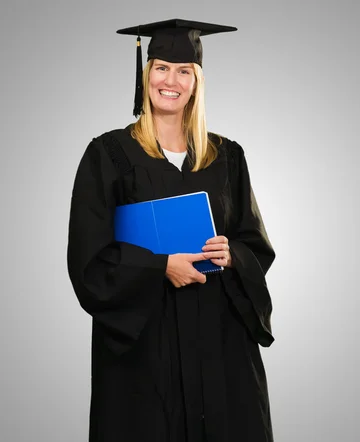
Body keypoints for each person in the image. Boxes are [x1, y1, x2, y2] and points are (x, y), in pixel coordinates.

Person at [67, 19, 276, 442]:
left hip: (220, 337)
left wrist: (233, 253)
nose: (171, 81)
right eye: (161, 67)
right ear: (146, 75)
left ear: (196, 82)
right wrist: (159, 266)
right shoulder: (109, 155)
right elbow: (88, 256)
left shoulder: (225, 156)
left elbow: (254, 240)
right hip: (146, 342)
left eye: (184, 71)